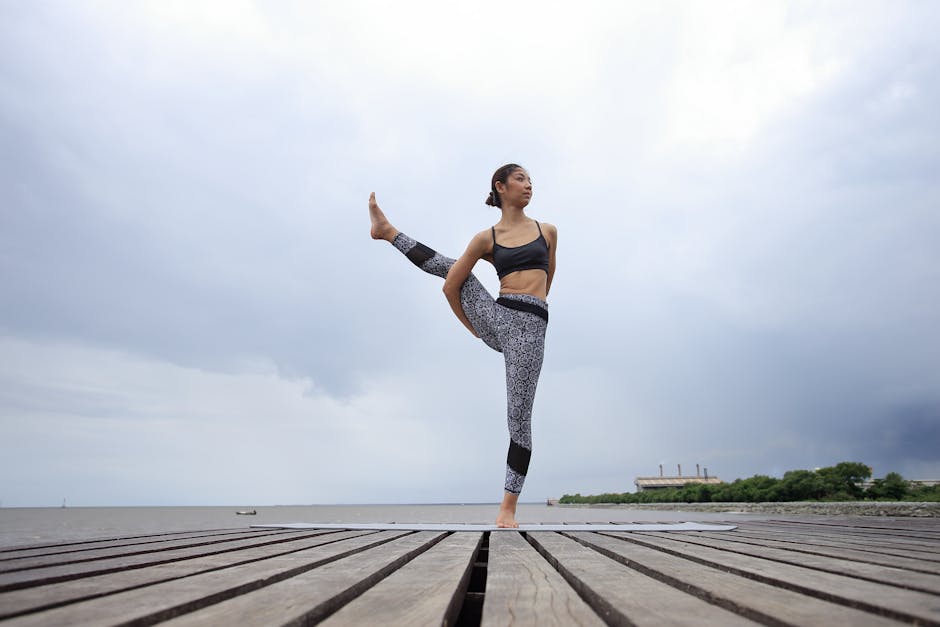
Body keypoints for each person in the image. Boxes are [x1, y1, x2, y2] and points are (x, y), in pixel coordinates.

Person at [368, 163, 557, 528]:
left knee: (519, 419)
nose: (529, 185)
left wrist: (531, 318)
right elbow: (450, 286)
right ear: (501, 187)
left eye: (531, 180)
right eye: (520, 179)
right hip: (497, 316)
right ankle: (388, 232)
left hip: (531, 330)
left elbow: (547, 283)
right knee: (458, 270)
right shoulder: (486, 238)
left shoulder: (547, 231)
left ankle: (507, 509)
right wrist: (473, 327)